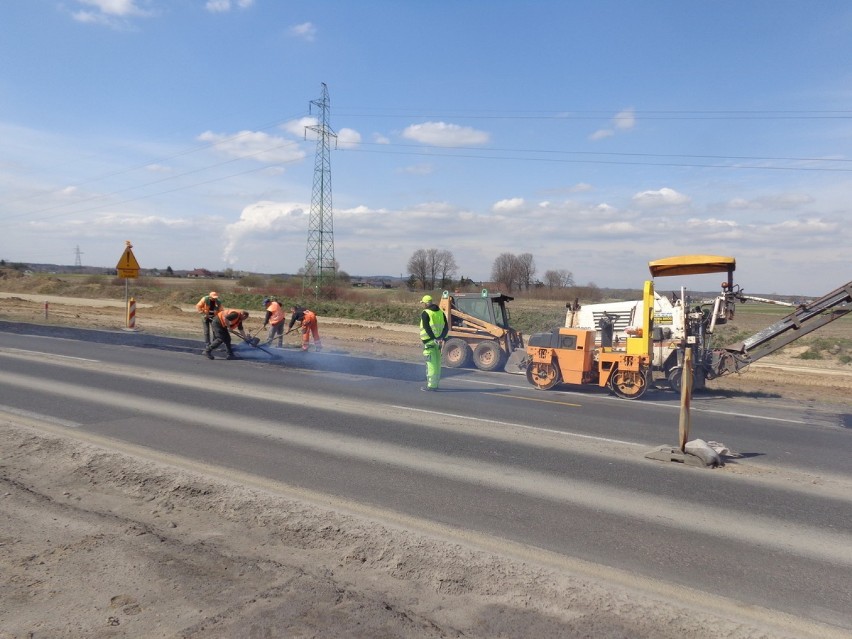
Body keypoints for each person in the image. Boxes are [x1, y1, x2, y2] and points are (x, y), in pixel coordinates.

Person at [419, 294, 448, 391]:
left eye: (423, 303)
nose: (422, 305)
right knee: (437, 364)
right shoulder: (440, 312)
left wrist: (433, 338)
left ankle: (431, 386)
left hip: (430, 342)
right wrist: (442, 338)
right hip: (438, 342)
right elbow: (446, 327)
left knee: (430, 364)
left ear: (426, 303)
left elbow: (427, 327)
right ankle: (435, 385)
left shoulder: (426, 313)